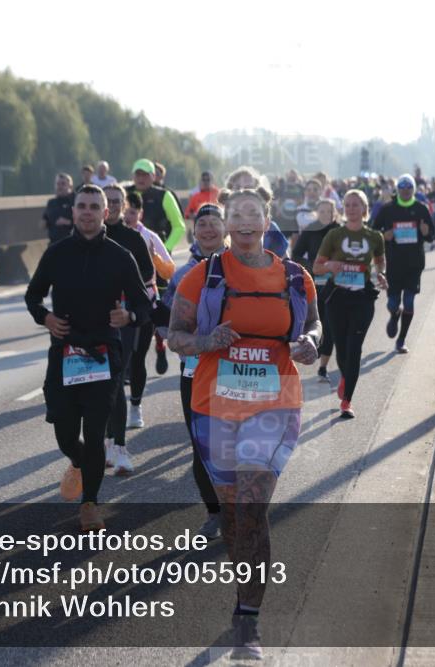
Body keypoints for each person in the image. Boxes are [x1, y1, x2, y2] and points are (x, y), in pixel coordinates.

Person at [167, 184, 321, 661]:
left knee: (253, 507)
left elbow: (314, 326)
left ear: (267, 219)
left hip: (274, 405)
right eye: (238, 214)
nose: (246, 221)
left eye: (255, 213)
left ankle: (248, 620)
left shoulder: (296, 278)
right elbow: (175, 335)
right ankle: (243, 596)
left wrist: (311, 344)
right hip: (215, 405)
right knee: (233, 513)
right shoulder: (202, 276)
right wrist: (206, 340)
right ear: (227, 224)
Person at [25, 185, 151, 532]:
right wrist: (45, 318)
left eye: (95, 206)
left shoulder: (119, 256)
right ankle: (79, 463)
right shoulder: (56, 253)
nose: (87, 212)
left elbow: (143, 304)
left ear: (106, 213)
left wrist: (130, 318)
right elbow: (33, 296)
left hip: (102, 355)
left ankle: (90, 504)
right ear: (75, 209)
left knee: (96, 435)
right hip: (64, 353)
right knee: (66, 434)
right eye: (82, 206)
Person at [161, 203, 228, 540]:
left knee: (239, 441)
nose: (208, 230)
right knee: (202, 444)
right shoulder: (181, 274)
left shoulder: (244, 267)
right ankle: (214, 512)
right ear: (194, 230)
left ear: (226, 227)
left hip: (236, 370)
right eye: (202, 224)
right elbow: (166, 323)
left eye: (214, 223)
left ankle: (242, 507)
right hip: (194, 371)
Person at [313, 190, 386, 418]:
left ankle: (347, 401)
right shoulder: (334, 235)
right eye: (348, 204)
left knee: (354, 349)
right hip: (337, 297)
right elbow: (317, 267)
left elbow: (380, 262)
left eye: (357, 204)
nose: (352, 208)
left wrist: (381, 274)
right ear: (343, 208)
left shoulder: (375, 237)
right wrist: (330, 265)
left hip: (362, 298)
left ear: (364, 209)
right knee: (342, 350)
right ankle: (345, 376)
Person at [102, 184, 156, 476]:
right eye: (105, 201)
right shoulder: (88, 235)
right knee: (100, 384)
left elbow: (148, 273)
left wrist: (124, 280)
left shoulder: (133, 239)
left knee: (116, 377)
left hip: (123, 315)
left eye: (115, 201)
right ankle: (108, 439)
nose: (110, 205)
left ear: (123, 206)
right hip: (93, 318)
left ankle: (119, 445)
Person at [123, 192, 175, 425]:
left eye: (133, 212)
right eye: (126, 210)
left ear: (140, 213)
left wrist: (156, 259)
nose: (128, 215)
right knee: (117, 359)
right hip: (116, 302)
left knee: (137, 357)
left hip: (145, 300)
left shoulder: (150, 237)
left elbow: (170, 271)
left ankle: (135, 406)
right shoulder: (110, 235)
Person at [372, 174, 434, 354]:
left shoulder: (421, 209)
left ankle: (401, 340)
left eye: (409, 189)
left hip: (414, 264)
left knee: (409, 301)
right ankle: (394, 314)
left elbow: (432, 235)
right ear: (397, 190)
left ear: (413, 190)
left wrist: (426, 231)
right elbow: (374, 232)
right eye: (402, 188)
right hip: (394, 263)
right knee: (392, 303)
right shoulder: (388, 209)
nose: (406, 192)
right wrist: (384, 236)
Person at [290, 198, 340, 380]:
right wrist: (310, 268)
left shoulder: (340, 231)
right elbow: (296, 253)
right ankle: (315, 348)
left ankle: (323, 367)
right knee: (315, 321)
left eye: (329, 211)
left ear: (335, 213)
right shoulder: (311, 230)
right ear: (317, 212)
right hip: (314, 284)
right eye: (322, 211)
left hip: (335, 285)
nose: (325, 214)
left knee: (329, 325)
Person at [225, 166, 288, 257]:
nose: (242, 192)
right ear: (230, 191)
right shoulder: (217, 225)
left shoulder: (270, 228)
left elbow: (286, 263)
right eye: (238, 187)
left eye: (248, 188)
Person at [126, 159, 186, 252]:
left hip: (156, 253)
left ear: (153, 176)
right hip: (128, 251)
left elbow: (179, 226)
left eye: (145, 175)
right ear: (132, 176)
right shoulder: (124, 193)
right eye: (138, 174)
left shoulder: (164, 195)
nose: (141, 178)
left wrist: (165, 248)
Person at [42, 172, 75, 244]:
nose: (60, 187)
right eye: (58, 184)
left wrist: (68, 222)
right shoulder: (51, 203)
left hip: (71, 243)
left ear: (70, 186)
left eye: (63, 184)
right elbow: (45, 221)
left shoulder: (76, 201)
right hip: (54, 243)